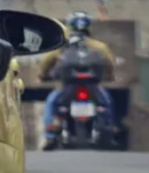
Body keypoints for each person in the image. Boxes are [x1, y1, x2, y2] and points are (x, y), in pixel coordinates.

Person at [38, 11, 117, 150]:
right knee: (106, 102)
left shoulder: (62, 45)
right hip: (93, 85)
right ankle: (108, 127)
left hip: (67, 86)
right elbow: (109, 63)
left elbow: (46, 61)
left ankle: (50, 134)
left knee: (52, 102)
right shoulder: (99, 46)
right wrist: (110, 76)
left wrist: (42, 75)